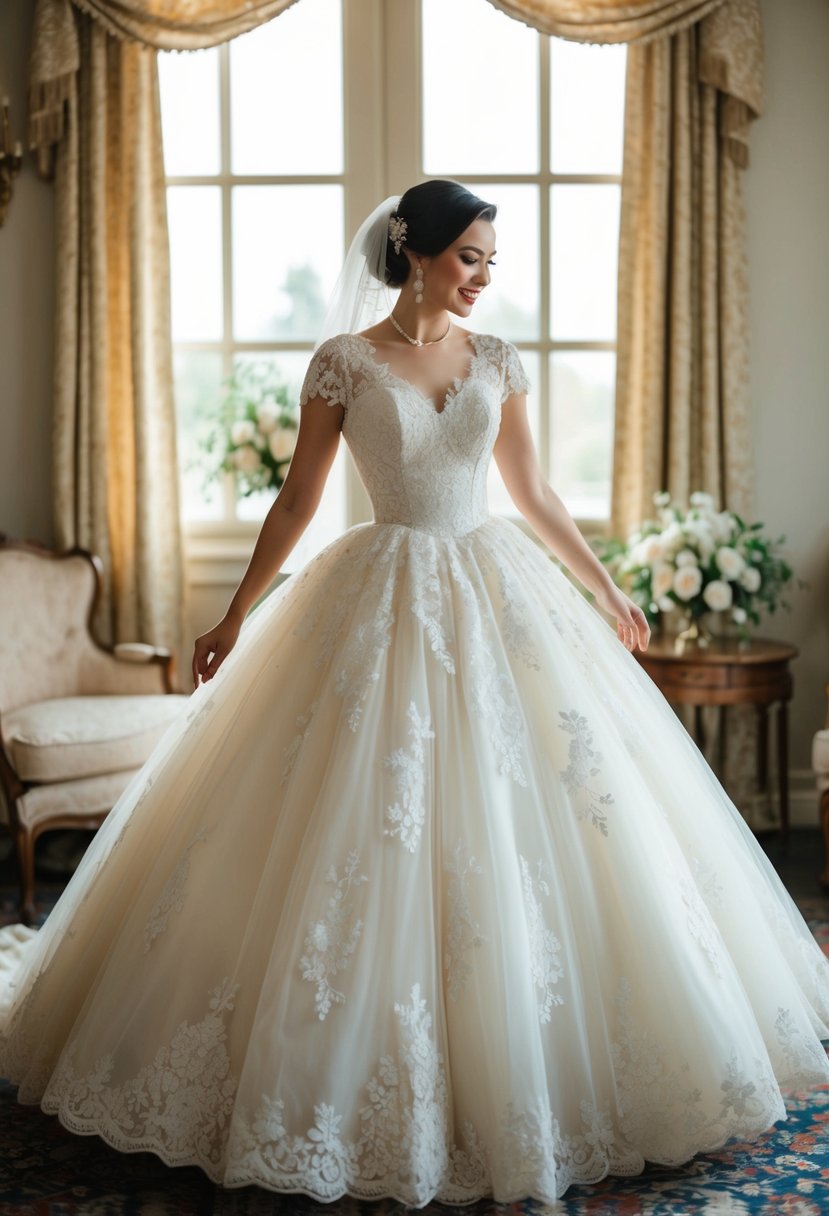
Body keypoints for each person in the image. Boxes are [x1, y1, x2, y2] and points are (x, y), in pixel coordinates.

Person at [1, 179, 828, 1208]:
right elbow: (301, 498)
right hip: (373, 591)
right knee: (356, 823)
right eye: (471, 256)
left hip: (491, 585)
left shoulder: (496, 359)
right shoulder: (344, 361)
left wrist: (607, 585)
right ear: (417, 250)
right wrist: (235, 612)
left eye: (491, 260)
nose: (484, 276)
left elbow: (530, 491)